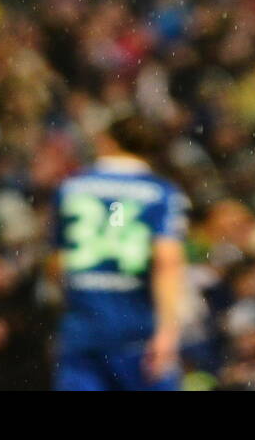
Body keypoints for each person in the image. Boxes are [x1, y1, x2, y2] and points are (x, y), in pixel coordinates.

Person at [51, 113, 188, 391]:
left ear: (107, 142)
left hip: (84, 329)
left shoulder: (70, 187)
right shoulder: (160, 193)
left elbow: (56, 263)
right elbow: (167, 261)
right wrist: (168, 332)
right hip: (137, 331)